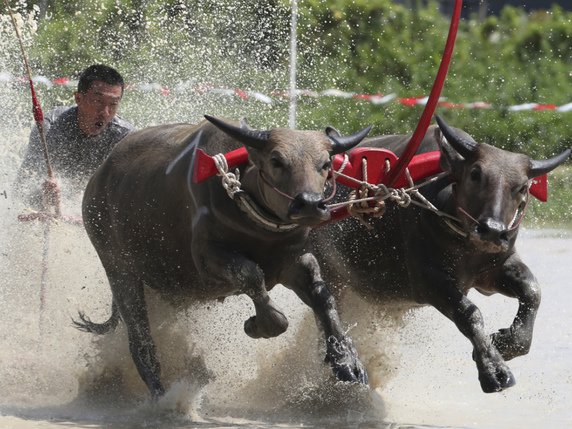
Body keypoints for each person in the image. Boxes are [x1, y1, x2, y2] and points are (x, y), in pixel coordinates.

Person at [14, 64, 134, 209]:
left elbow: (129, 194)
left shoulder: (124, 138)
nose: (105, 112)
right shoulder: (49, 128)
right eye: (98, 102)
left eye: (113, 104)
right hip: (45, 207)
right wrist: (42, 190)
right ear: (78, 98)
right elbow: (21, 187)